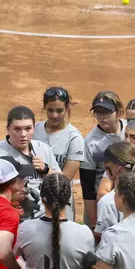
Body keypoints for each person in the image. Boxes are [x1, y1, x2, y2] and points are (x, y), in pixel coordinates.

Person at [0, 106, 61, 221]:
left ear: (34, 128)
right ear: (8, 129)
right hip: (6, 220)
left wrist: (46, 170)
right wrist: (7, 197)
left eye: (28, 129)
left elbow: (61, 183)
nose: (23, 134)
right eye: (17, 129)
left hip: (41, 220)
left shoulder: (43, 149)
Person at [14, 174, 95, 269]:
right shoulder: (83, 233)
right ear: (68, 200)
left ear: (42, 199)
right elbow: (89, 264)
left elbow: (19, 255)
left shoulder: (26, 229)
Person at [33, 87, 85, 221]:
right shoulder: (34, 130)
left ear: (67, 108)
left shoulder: (74, 137)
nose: (55, 115)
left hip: (60, 200)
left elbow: (65, 178)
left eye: (60, 110)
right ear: (44, 107)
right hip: (34, 198)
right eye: (50, 110)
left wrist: (45, 169)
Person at [80, 91, 126, 229]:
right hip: (100, 204)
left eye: (107, 111)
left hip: (126, 200)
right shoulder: (90, 142)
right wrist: (95, 223)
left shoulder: (130, 131)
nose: (102, 116)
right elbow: (87, 187)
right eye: (98, 112)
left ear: (118, 111)